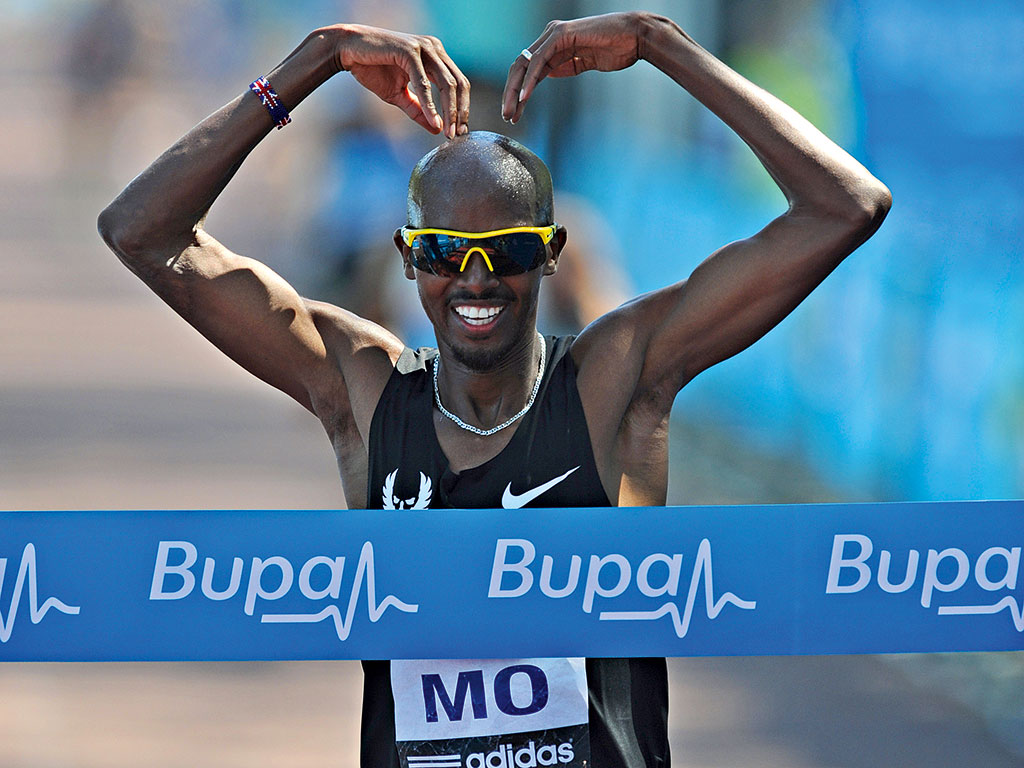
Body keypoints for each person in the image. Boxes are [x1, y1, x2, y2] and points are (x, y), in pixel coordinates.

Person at [97, 11, 891, 767]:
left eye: (507, 249)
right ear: (409, 259)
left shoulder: (615, 384)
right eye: (445, 251)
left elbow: (844, 208)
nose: (476, 279)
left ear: (551, 253)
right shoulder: (367, 394)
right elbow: (142, 231)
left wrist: (662, 45)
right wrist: (315, 60)